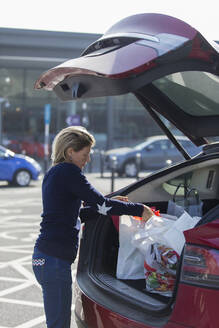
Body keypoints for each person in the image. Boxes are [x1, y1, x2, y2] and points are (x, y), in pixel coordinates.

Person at [32, 126, 153, 328]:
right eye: (85, 154)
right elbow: (99, 204)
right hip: (53, 262)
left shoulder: (55, 172)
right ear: (71, 151)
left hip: (46, 258)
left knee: (57, 323)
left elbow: (79, 214)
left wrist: (109, 202)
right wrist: (139, 209)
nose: (87, 160)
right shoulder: (69, 172)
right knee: (58, 325)